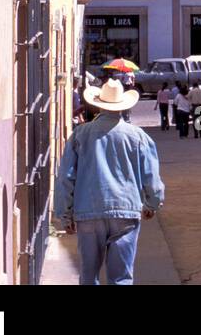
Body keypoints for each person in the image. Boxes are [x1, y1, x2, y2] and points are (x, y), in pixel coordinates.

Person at [53, 78, 164, 285]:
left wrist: (65, 214)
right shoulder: (138, 136)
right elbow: (152, 177)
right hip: (126, 211)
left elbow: (66, 177)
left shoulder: (80, 134)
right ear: (122, 106)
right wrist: (152, 203)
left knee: (88, 276)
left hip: (88, 210)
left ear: (98, 104)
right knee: (121, 277)